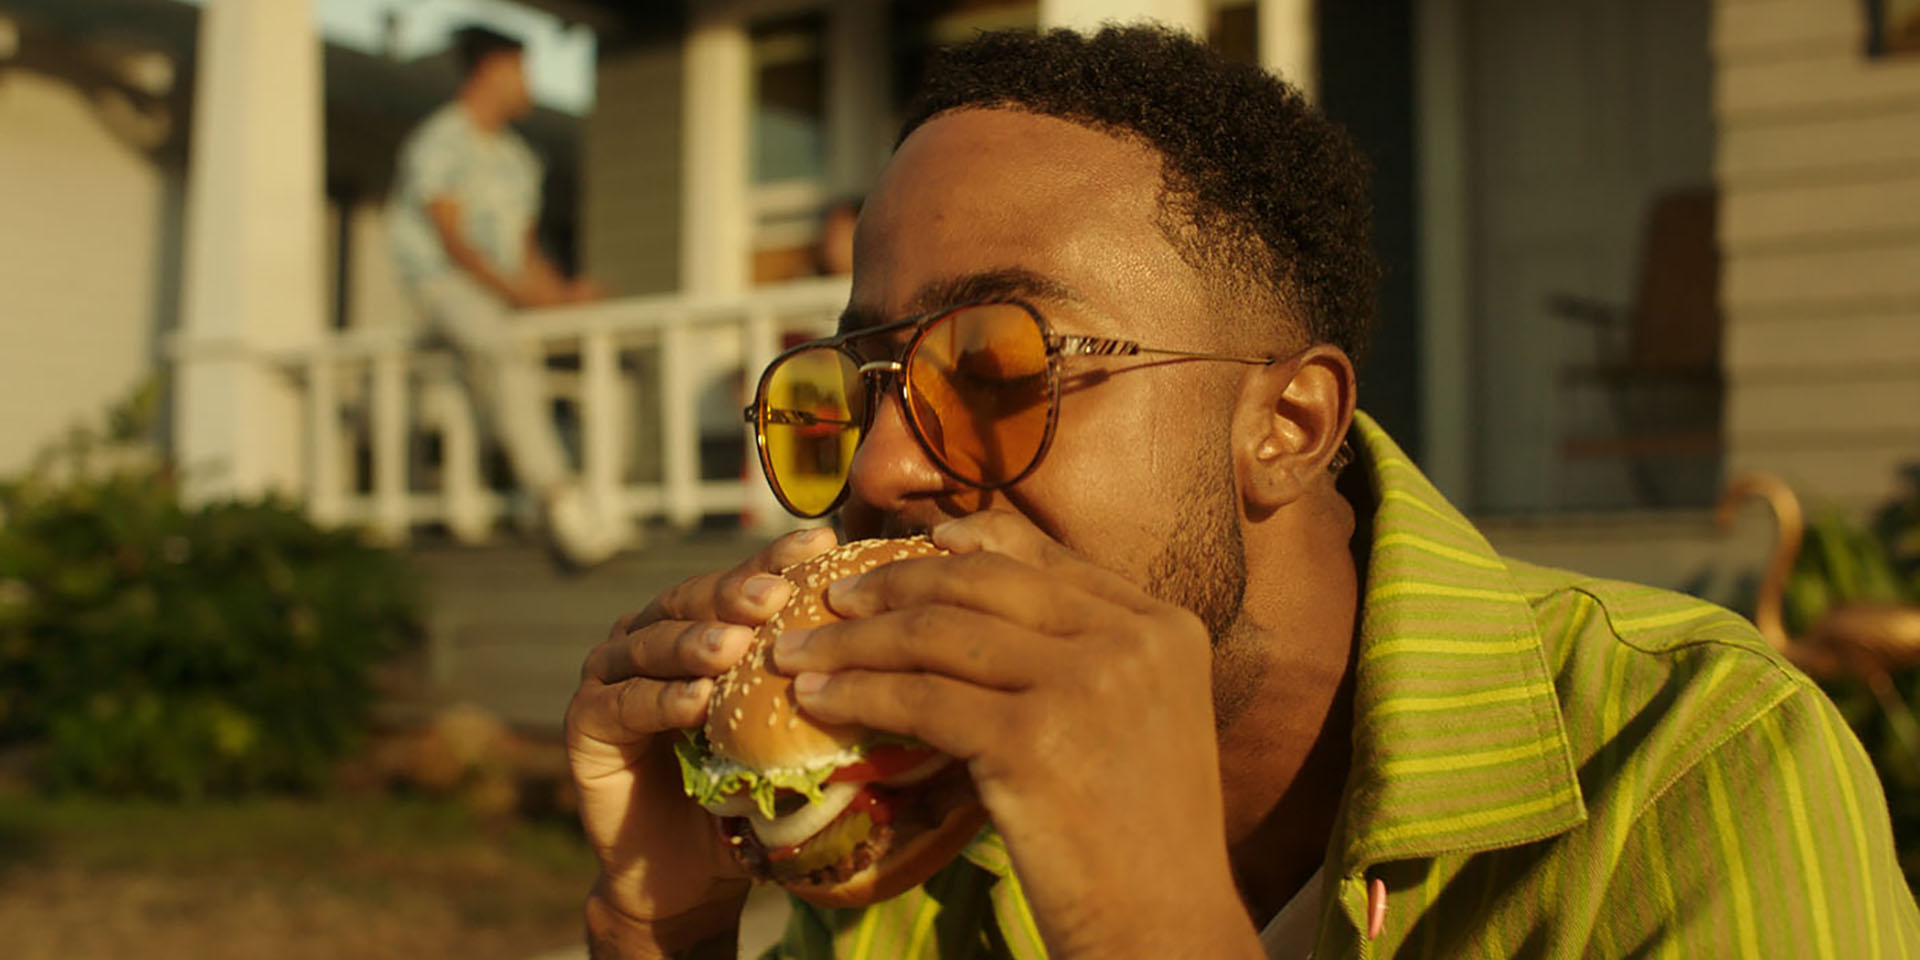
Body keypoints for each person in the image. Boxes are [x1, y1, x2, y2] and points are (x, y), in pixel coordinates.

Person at [565, 26, 1920, 959]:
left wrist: (1152, 919)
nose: (877, 465)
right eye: (849, 386)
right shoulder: (912, 817)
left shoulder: (1691, 755)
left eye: (993, 367)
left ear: (1287, 421)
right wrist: (658, 929)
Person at [387, 25, 613, 566]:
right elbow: (451, 240)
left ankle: (603, 492)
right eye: (521, 69)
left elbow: (524, 253)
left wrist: (560, 295)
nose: (529, 84)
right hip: (444, 287)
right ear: (490, 70)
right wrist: (522, 292)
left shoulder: (518, 159)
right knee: (500, 351)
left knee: (606, 353)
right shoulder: (440, 140)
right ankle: (558, 494)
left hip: (507, 296)